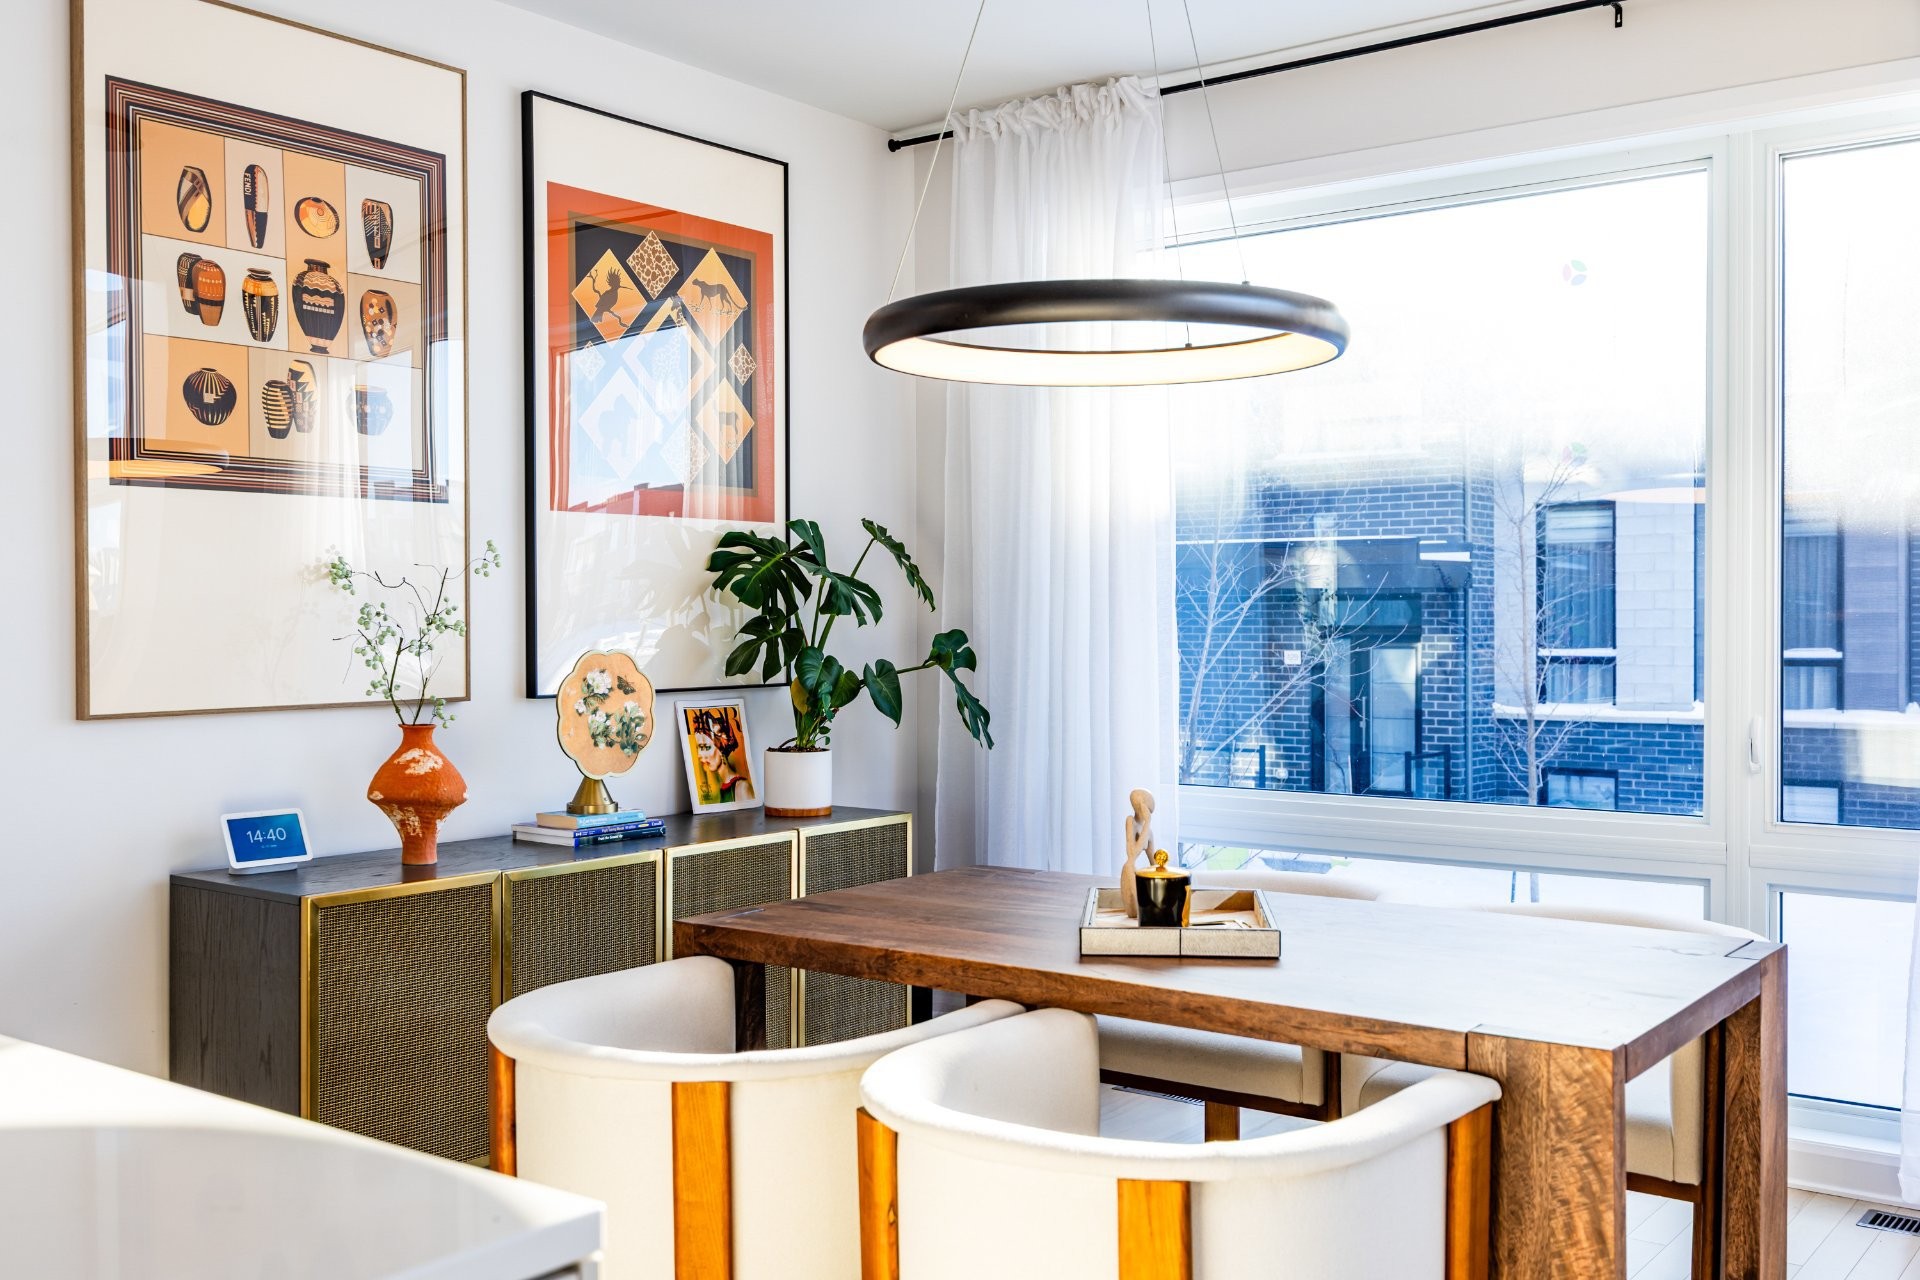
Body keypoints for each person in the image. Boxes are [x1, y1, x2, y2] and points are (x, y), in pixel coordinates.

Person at [691, 709, 751, 803]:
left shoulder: (741, 787)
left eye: (706, 747)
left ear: (722, 747)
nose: (699, 754)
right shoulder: (723, 788)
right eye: (698, 748)